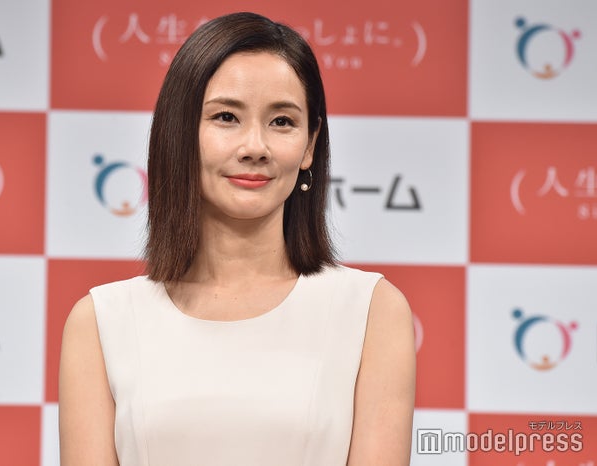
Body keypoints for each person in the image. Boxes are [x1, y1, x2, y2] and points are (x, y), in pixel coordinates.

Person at [59, 11, 415, 466]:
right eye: (226, 117)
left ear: (310, 144)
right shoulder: (102, 321)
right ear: (180, 133)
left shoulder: (371, 311)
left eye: (282, 121)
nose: (255, 147)